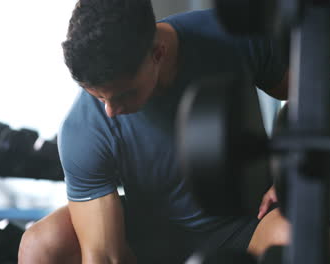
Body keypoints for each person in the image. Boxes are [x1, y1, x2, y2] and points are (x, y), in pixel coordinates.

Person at [18, 0, 290, 263]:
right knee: (40, 244)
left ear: (157, 53)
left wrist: (289, 169)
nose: (111, 111)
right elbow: (104, 256)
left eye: (124, 94)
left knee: (291, 235)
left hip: (246, 224)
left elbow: (306, 97)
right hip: (151, 238)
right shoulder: (85, 127)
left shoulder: (231, 38)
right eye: (100, 98)